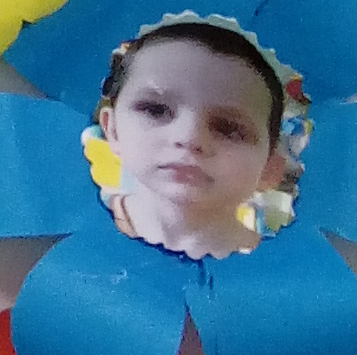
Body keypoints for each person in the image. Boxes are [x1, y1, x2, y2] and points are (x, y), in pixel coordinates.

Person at [91, 20, 295, 259]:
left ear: (270, 169)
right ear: (112, 129)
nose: (189, 137)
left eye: (228, 129)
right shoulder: (70, 240)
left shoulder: (284, 272)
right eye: (156, 110)